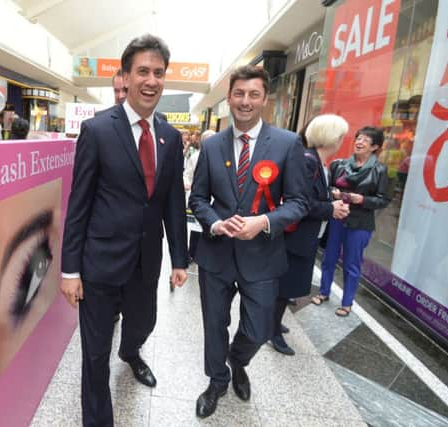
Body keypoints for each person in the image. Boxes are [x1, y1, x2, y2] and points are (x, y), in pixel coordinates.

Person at [60, 34, 188, 427]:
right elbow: (78, 203)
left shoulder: (170, 137)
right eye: (143, 71)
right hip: (99, 265)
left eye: (159, 73)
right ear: (126, 78)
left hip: (146, 262)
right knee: (94, 355)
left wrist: (180, 260)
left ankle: (131, 353)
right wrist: (69, 271)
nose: (151, 80)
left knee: (143, 324)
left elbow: (171, 203)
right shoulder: (98, 131)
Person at [189, 65, 308, 418]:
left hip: (263, 255)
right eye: (239, 94)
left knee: (258, 330)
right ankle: (217, 380)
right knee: (214, 325)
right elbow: (197, 200)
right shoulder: (211, 146)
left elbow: (299, 202)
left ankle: (238, 361)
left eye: (253, 94)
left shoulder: (287, 144)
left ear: (265, 99)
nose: (245, 101)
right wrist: (215, 223)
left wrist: (265, 221)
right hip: (217, 256)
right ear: (229, 98)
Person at [270, 114, 350, 356]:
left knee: (288, 286)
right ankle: (270, 330)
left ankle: (273, 324)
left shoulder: (318, 162)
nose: (342, 141)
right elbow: (300, 203)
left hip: (305, 237)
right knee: (285, 287)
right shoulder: (308, 161)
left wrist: (330, 198)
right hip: (295, 238)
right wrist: (330, 208)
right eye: (341, 136)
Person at [312, 126, 390, 316]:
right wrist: (334, 194)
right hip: (337, 217)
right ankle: (324, 292)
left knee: (352, 263)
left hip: (360, 223)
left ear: (375, 147)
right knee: (329, 257)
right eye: (358, 138)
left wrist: (361, 199)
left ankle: (347, 303)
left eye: (365, 140)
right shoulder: (339, 165)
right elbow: (325, 188)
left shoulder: (379, 170)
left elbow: (383, 199)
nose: (359, 142)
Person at [184, 129, 215, 264]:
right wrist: (187, 184)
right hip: (197, 196)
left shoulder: (222, 157)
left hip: (215, 199)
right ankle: (192, 253)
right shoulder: (195, 157)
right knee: (196, 226)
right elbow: (187, 174)